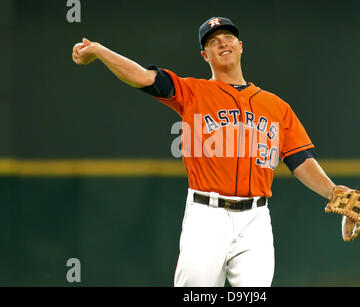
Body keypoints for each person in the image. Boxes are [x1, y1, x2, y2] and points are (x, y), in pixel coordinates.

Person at [72, 17, 337, 287]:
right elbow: (142, 76)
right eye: (213, 41)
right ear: (205, 54)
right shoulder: (192, 91)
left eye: (228, 37)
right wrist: (99, 51)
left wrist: (333, 191)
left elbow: (300, 158)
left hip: (256, 219)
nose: (222, 42)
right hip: (207, 216)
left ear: (240, 46)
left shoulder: (277, 106)